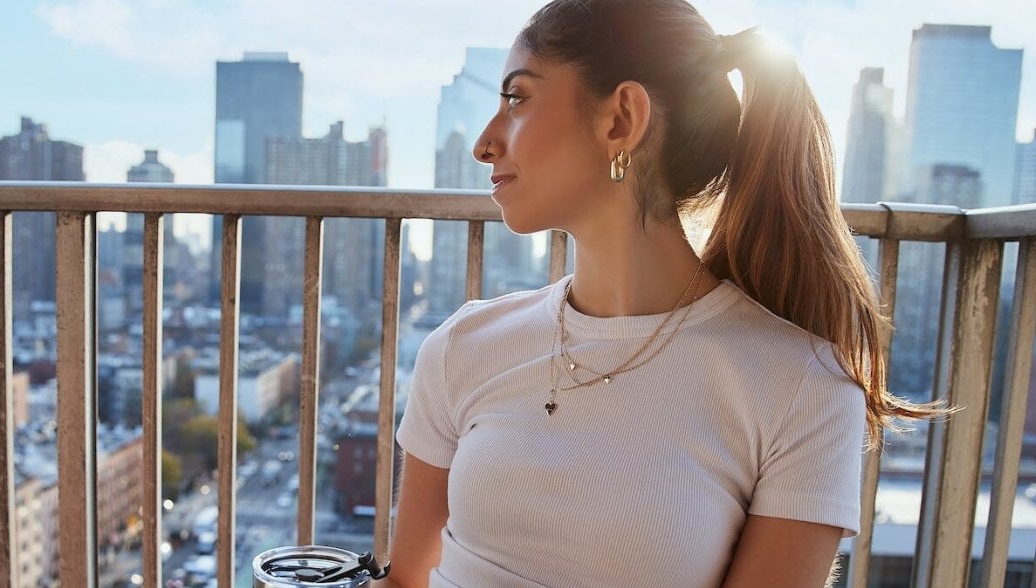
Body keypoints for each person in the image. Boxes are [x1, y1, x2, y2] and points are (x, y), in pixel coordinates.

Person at [382, 1, 951, 586]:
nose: (484, 142)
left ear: (621, 119)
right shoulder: (463, 346)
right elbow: (403, 581)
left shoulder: (805, 388)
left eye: (517, 98)